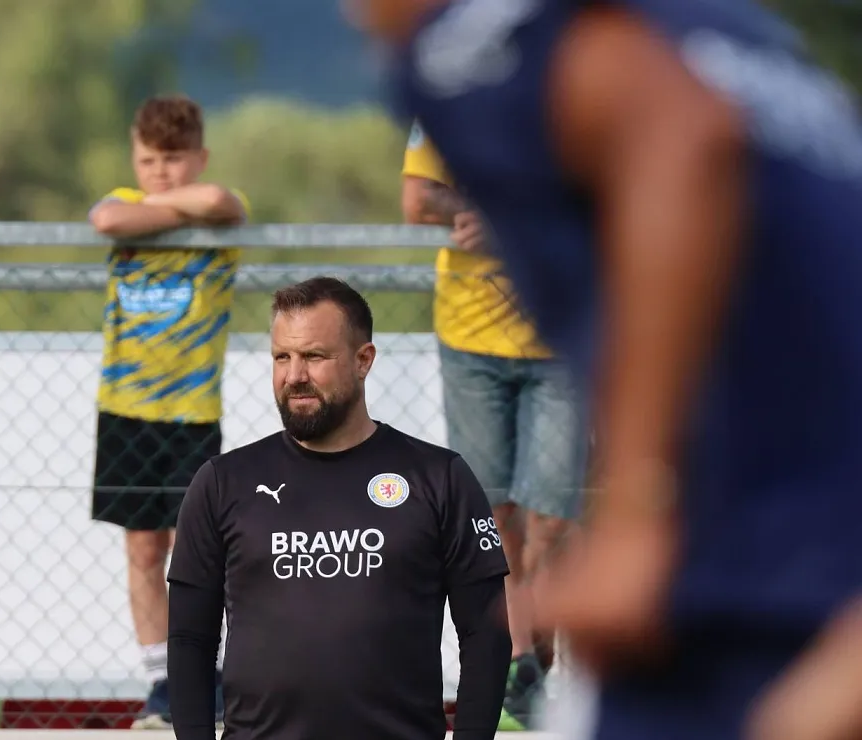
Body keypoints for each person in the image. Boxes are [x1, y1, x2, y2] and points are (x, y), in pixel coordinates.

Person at [347, 0, 862, 738]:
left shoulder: (481, 42)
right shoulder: (733, 37)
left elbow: (681, 134)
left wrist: (632, 521)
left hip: (756, 592)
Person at [166, 276, 512, 740]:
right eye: (281, 357)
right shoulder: (222, 482)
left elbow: (486, 635)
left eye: (314, 356)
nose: (294, 376)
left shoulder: (440, 477)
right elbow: (190, 640)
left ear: (363, 360)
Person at [402, 120, 588, 731]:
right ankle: (518, 669)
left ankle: (532, 662)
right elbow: (418, 199)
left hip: (560, 338)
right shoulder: (449, 93)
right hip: (470, 339)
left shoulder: (579, 92)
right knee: (495, 517)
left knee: (553, 518)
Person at [88, 93, 250, 730]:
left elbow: (217, 204)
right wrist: (157, 209)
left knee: (195, 554)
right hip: (124, 410)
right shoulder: (123, 202)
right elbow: (105, 219)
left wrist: (153, 211)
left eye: (175, 160)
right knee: (142, 550)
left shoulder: (212, 211)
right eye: (149, 160)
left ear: (200, 157)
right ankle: (163, 686)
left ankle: (202, 675)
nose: (160, 172)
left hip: (190, 412)